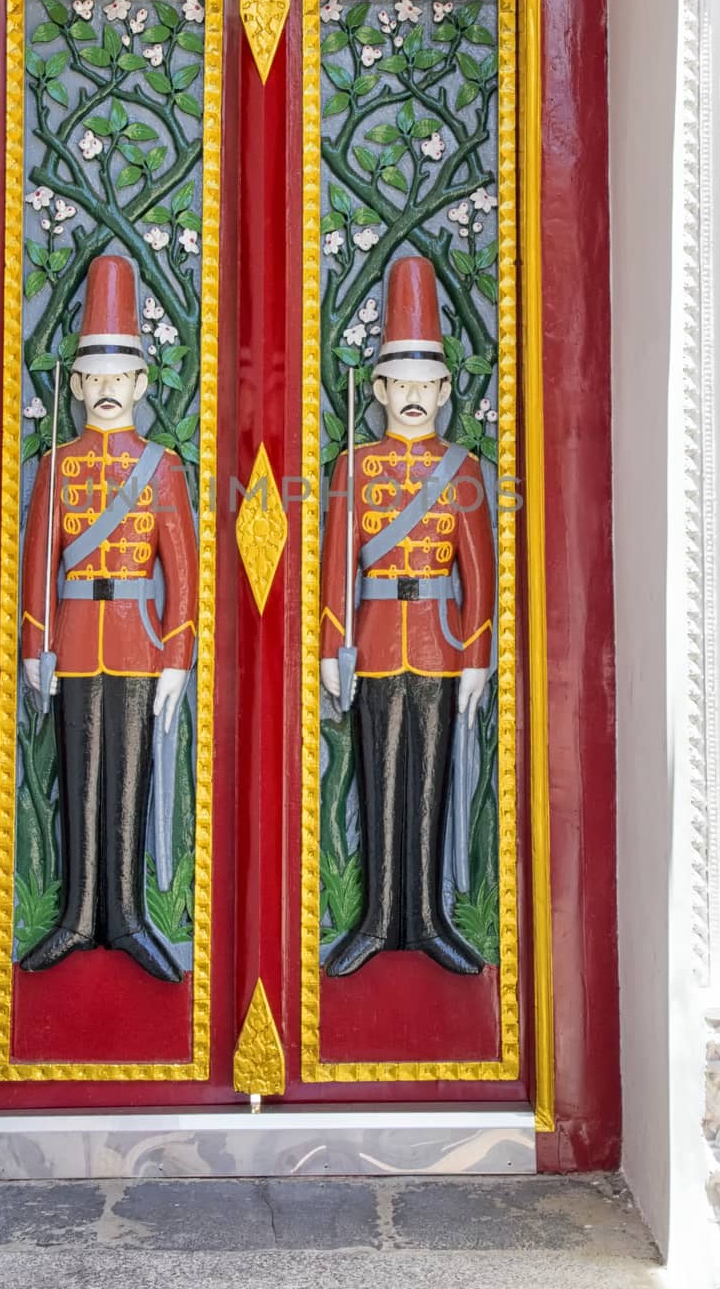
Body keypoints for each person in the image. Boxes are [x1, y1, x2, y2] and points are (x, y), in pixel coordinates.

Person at [19, 254, 197, 981]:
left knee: (126, 774)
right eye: (91, 380)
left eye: (117, 379)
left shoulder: (160, 468)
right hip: (72, 636)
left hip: (136, 638)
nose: (104, 392)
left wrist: (178, 657)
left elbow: (179, 568)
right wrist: (36, 642)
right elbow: (38, 559)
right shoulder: (59, 465)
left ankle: (124, 918)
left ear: (141, 385)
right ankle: (75, 915)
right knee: (78, 772)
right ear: (76, 386)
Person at [319, 255, 496, 978]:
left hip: (443, 642)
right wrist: (333, 645)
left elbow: (476, 572)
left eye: (428, 387)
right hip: (373, 637)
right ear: (381, 390)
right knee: (380, 771)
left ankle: (425, 919)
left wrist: (478, 655)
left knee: (429, 779)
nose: (414, 399)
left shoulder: (460, 470)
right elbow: (336, 561)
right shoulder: (352, 469)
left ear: (446, 390)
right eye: (401, 386)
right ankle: (373, 919)